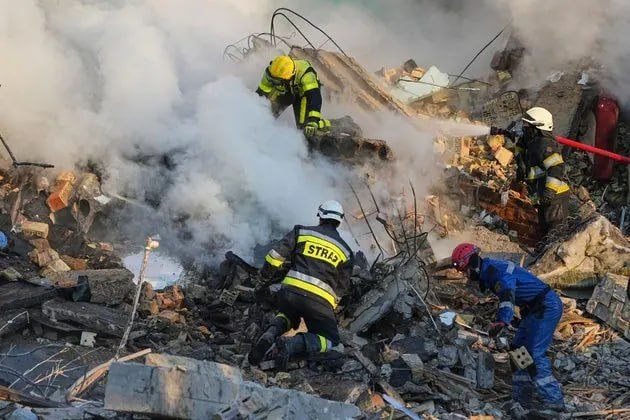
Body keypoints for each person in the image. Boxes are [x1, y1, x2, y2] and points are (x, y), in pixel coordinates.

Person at [451, 243, 565, 411]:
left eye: (465, 270)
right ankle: (522, 398)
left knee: (533, 353)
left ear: (473, 264)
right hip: (534, 309)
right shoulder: (489, 270)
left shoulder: (495, 271)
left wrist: (502, 320)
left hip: (546, 306)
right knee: (517, 349)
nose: (466, 275)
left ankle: (554, 400)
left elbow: (507, 295)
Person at [248, 200, 354, 369]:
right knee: (330, 340)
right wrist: (329, 308)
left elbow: (275, 256)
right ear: (339, 221)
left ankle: (270, 334)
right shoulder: (346, 252)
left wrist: (263, 278)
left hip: (290, 293)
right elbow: (341, 288)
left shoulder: (301, 232)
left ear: (320, 216)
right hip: (319, 302)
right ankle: (291, 344)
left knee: (287, 315)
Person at [491, 107, 570, 235]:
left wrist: (548, 193)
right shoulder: (531, 142)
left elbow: (556, 168)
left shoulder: (545, 145)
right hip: (542, 195)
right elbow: (521, 151)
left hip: (555, 197)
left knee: (555, 233)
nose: (524, 128)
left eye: (527, 126)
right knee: (545, 231)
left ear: (538, 128)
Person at [256, 55, 330, 139]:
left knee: (306, 129)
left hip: (303, 95)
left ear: (289, 78)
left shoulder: (306, 74)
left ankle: (328, 124)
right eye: (272, 79)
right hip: (284, 92)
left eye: (277, 81)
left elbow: (314, 97)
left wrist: (313, 120)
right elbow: (260, 93)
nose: (273, 82)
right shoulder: (271, 72)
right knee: (267, 116)